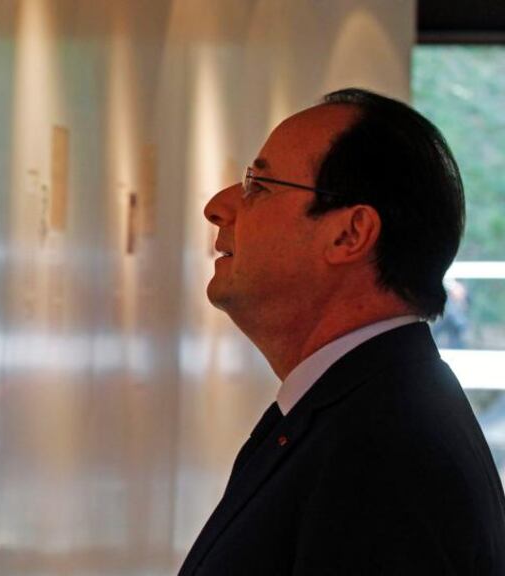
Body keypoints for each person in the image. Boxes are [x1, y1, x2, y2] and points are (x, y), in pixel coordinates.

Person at [179, 88, 505, 574]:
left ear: (350, 234)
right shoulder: (368, 405)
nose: (218, 206)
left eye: (259, 186)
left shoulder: (384, 457)